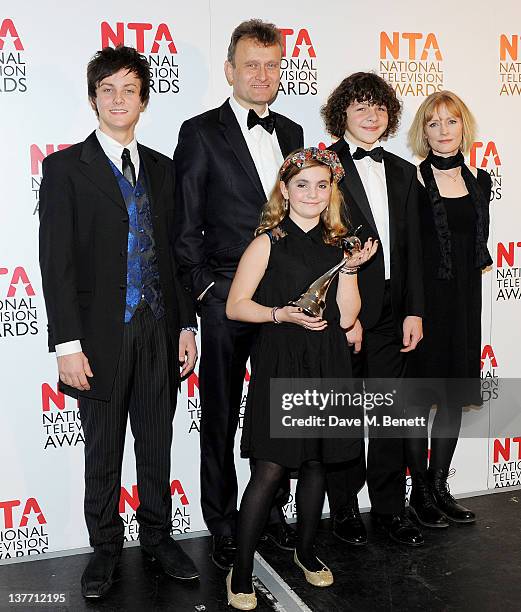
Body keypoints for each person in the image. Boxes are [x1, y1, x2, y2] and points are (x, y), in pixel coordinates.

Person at [38, 46, 199, 599]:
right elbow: (55, 263)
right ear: (92, 99)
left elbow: (179, 256)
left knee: (157, 441)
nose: (118, 99)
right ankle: (104, 548)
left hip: (159, 325)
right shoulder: (63, 169)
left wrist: (186, 327)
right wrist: (67, 344)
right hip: (99, 336)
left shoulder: (163, 168)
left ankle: (159, 537)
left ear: (144, 100)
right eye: (107, 89)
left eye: (129, 89)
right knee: (102, 449)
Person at [173, 19, 304, 569]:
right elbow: (183, 227)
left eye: (272, 65)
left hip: (285, 305)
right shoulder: (199, 132)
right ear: (229, 70)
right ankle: (222, 522)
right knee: (221, 417)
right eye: (251, 64)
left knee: (276, 412)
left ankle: (267, 513)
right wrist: (206, 291)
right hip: (226, 298)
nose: (262, 74)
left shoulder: (294, 134)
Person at [225, 147, 377, 609]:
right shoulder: (266, 242)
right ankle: (242, 570)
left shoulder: (340, 247)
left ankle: (306, 552)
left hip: (327, 363)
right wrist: (281, 314)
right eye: (302, 184)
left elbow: (349, 317)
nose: (312, 193)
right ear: (285, 191)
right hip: (281, 360)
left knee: (316, 463)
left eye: (321, 184)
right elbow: (236, 306)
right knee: (270, 468)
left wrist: (350, 271)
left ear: (331, 191)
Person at [321, 72, 426, 546]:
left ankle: (389, 508)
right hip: (340, 314)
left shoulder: (404, 172)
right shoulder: (321, 167)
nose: (371, 115)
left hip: (391, 315)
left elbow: (413, 252)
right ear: (342, 112)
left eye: (379, 108)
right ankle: (343, 509)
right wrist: (344, 314)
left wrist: (414, 310)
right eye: (360, 106)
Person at [406, 91, 492, 526]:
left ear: (464, 126)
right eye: (434, 123)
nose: (443, 131)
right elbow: (410, 251)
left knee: (453, 397)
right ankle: (419, 492)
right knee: (420, 399)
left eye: (451, 121)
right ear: (424, 131)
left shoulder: (481, 178)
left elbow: (474, 244)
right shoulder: (413, 180)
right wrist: (412, 309)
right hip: (424, 303)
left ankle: (440, 488)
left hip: (464, 301)